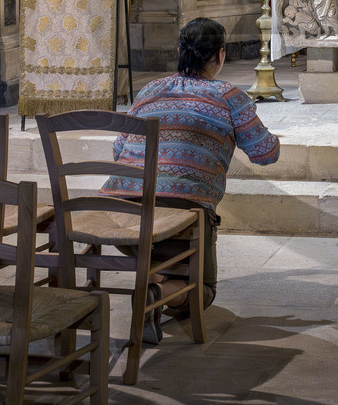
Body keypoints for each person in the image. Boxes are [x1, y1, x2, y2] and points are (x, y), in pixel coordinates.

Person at [101, 17, 280, 339]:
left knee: (165, 254)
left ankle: (158, 281)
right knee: (204, 290)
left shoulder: (150, 89)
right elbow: (266, 154)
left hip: (119, 214)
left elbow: (119, 150)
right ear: (220, 55)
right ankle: (160, 293)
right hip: (181, 217)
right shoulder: (230, 97)